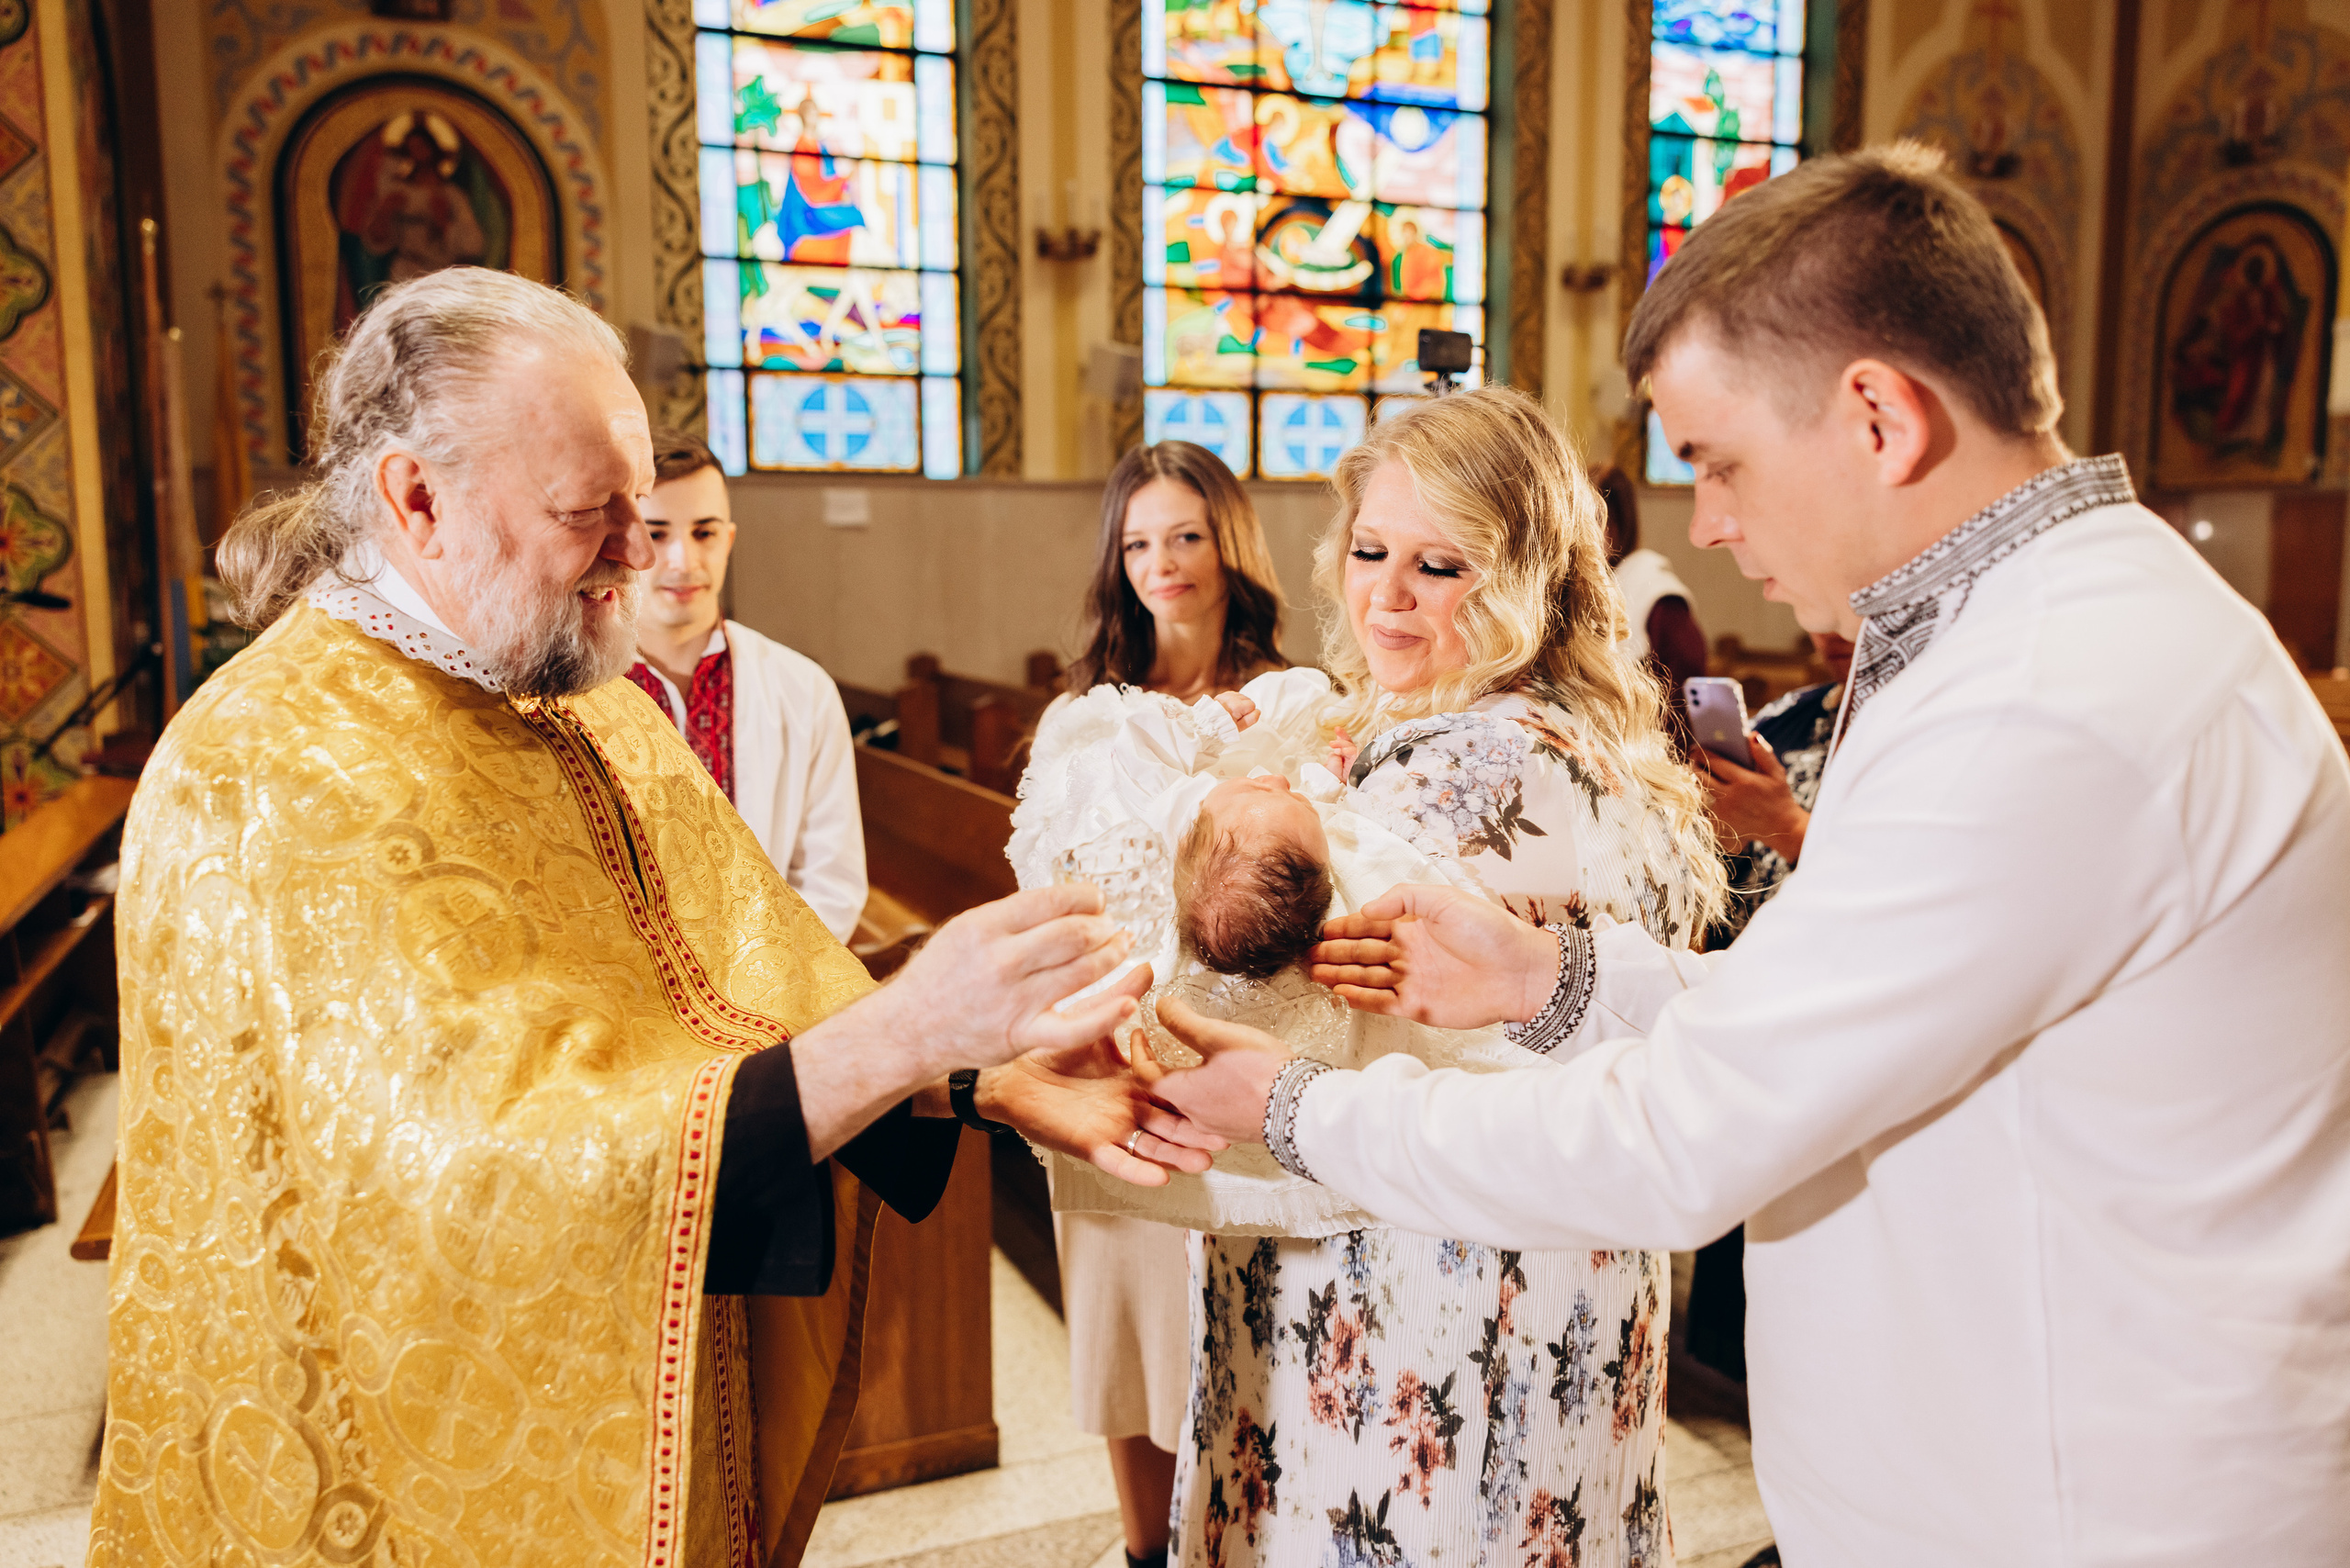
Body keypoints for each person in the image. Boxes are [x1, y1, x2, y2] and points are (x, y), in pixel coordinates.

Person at [1146, 144, 2350, 1567]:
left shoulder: (2048, 699)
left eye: (1720, 462)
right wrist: (1563, 976)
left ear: (1877, 416)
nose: (1708, 524)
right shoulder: (2040, 635)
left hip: (2079, 1505)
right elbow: (1839, 1004)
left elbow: (1681, 1138)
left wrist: (1290, 1108)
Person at [95, 268, 1220, 1568]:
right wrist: (910, 1032)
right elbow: (466, 1187)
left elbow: (736, 988)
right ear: (416, 499)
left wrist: (980, 1073)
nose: (642, 555)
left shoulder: (575, 693)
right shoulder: (272, 769)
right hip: (413, 1479)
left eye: (645, 503)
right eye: (594, 512)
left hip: (672, 1392)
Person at [1152, 387, 1724, 1567]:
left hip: (1419, 1281)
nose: (1386, 596)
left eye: (1440, 564)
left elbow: (1257, 994)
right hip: (1575, 1263)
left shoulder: (1464, 765)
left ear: (1522, 575)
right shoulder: (1580, 733)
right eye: (1369, 551)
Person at [1043, 441, 1292, 1568]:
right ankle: (1147, 1548)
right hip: (1110, 1046)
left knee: (1239, 1323)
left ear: (1228, 543)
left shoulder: (1293, 704)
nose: (1163, 563)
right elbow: (1047, 878)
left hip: (1238, 1050)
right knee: (1124, 1317)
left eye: (1185, 535)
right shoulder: (1082, 718)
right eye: (1138, 542)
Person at [627, 428, 867, 942]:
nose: (683, 562)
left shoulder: (802, 689)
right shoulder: (575, 688)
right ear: (625, 538)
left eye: (704, 533)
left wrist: (763, 999)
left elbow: (832, 882)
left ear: (728, 540)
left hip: (772, 992)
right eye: (658, 532)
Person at [1595, 463, 1707, 745]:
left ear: (1618, 524)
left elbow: (1681, 702)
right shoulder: (1584, 588)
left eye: (1595, 520)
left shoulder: (1657, 595)